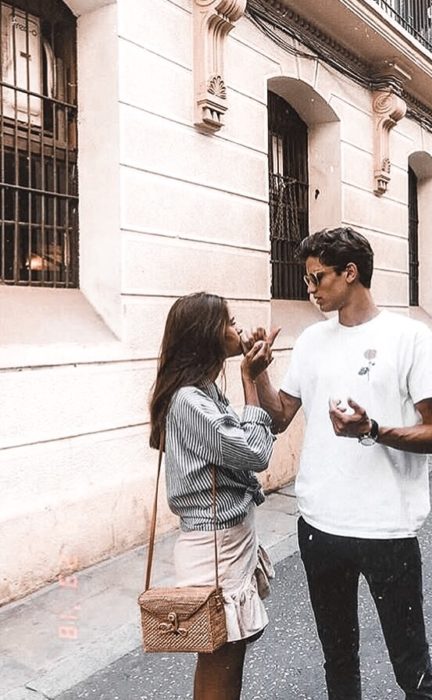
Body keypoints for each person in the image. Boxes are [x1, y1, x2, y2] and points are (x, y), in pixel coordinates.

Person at [253, 227, 432, 700]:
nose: (311, 288)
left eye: (317, 277)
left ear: (350, 272)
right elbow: (279, 417)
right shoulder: (310, 341)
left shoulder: (409, 337)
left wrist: (373, 430)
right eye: (306, 279)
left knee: (412, 668)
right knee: (339, 662)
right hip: (320, 527)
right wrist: (258, 371)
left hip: (387, 528)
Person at [149, 292, 278, 700]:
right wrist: (249, 382)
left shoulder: (202, 392)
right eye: (229, 322)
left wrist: (254, 373)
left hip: (225, 537)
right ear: (206, 335)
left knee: (227, 648)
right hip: (215, 544)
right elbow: (255, 454)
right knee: (221, 652)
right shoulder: (190, 400)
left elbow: (236, 449)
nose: (237, 329)